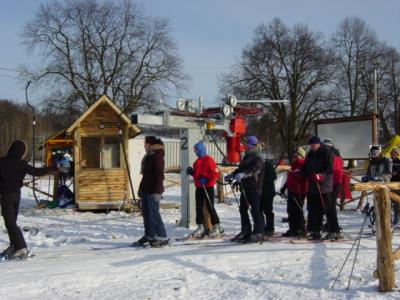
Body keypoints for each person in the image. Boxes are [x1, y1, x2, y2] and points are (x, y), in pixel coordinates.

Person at [0, 140, 53, 259]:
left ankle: (20, 247)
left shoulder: (2, 162)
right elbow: (37, 172)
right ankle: (14, 245)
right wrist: (51, 168)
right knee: (11, 222)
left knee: (10, 223)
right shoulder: (22, 164)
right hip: (16, 196)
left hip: (6, 196)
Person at [225, 135, 265, 243]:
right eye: (245, 144)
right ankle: (246, 230)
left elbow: (256, 168)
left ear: (252, 145)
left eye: (246, 144)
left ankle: (259, 232)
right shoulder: (246, 156)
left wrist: (244, 174)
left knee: (256, 211)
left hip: (255, 187)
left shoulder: (258, 156)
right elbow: (241, 168)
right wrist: (233, 174)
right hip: (245, 187)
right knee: (242, 209)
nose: (245, 146)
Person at [301, 136, 340, 240]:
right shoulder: (309, 154)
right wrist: (301, 172)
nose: (312, 147)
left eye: (314, 145)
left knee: (328, 209)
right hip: (313, 186)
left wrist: (321, 175)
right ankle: (315, 230)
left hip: (324, 186)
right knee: (314, 209)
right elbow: (305, 167)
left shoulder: (326, 153)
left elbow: (329, 169)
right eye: (311, 145)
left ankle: (334, 230)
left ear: (319, 144)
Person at [134, 136, 168, 247]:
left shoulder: (157, 156)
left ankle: (162, 236)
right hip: (146, 190)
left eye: (145, 143)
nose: (144, 145)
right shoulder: (149, 156)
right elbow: (146, 176)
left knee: (154, 214)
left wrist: (158, 192)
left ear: (150, 144)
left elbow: (159, 175)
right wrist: (141, 189)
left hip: (153, 191)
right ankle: (149, 235)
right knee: (147, 214)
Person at [186, 141, 222, 238]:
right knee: (198, 208)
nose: (195, 152)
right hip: (199, 187)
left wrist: (206, 179)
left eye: (196, 150)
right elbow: (197, 175)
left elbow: (215, 173)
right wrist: (192, 172)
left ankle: (217, 226)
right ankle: (200, 226)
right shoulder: (197, 162)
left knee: (210, 206)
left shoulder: (209, 160)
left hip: (208, 187)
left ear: (201, 149)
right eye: (194, 150)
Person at [280, 147, 308, 237]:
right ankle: (293, 229)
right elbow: (290, 177)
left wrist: (298, 177)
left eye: (296, 156)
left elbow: (303, 177)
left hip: (300, 190)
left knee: (298, 210)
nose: (295, 157)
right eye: (294, 156)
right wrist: (284, 187)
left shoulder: (303, 164)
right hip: (292, 189)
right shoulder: (294, 164)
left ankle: (301, 229)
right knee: (290, 210)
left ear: (301, 156)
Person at [322, 139, 343, 232]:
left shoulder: (330, 154)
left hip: (331, 182)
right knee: (330, 206)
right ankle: (330, 224)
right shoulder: (337, 154)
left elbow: (330, 169)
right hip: (335, 182)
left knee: (330, 206)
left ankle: (334, 227)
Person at [260, 155, 277, 237]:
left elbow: (273, 176)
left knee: (268, 211)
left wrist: (263, 181)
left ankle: (270, 228)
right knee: (259, 210)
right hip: (260, 192)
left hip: (268, 191)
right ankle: (261, 227)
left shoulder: (268, 164)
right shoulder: (256, 165)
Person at [390, 147, 400, 225]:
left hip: (397, 185)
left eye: (395, 153)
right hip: (387, 184)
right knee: (388, 202)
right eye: (392, 153)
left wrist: (397, 173)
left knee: (396, 202)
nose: (394, 154)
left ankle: (396, 218)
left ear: (398, 154)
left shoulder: (399, 162)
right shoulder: (388, 161)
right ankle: (388, 218)